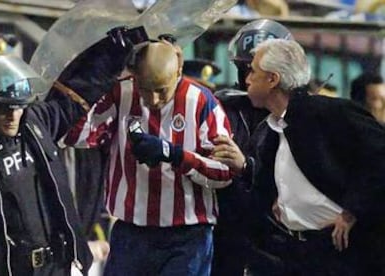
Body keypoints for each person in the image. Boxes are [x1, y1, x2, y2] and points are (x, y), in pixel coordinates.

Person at [212, 38, 385, 275]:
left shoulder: (332, 112)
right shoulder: (273, 129)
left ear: (273, 79)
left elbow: (379, 156)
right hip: (297, 253)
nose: (247, 78)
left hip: (345, 253)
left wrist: (352, 211)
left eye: (253, 70)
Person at [65, 41, 233, 275]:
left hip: (187, 236)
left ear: (178, 73)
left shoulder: (202, 103)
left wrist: (175, 155)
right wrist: (96, 78)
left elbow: (225, 172)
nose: (153, 99)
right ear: (134, 77)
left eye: (161, 89)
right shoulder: (121, 93)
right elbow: (74, 136)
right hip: (131, 232)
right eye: (145, 88)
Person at [0, 54, 93, 275]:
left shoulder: (35, 125)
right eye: (4, 108)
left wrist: (118, 51)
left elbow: (79, 95)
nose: (12, 116)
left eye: (18, 107)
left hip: (56, 266)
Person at [212, 19, 293, 276]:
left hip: (277, 235)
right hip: (223, 232)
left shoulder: (299, 116)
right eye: (244, 70)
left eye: (256, 71)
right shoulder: (219, 107)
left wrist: (246, 166)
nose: (249, 79)